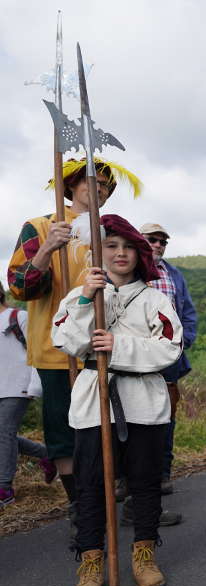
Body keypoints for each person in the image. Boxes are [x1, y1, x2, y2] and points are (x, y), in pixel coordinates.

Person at [52, 214, 183, 586]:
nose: (120, 253)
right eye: (111, 247)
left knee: (144, 482)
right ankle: (91, 563)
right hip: (94, 402)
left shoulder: (156, 299)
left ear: (138, 254)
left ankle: (144, 554)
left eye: (127, 247)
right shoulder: (81, 296)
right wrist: (83, 299)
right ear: (99, 252)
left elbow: (170, 348)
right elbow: (67, 341)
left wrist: (118, 347)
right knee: (91, 485)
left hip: (144, 402)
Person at [6, 158, 141, 533]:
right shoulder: (40, 227)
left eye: (104, 186)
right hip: (57, 351)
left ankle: (126, 504)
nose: (97, 189)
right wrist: (47, 249)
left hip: (109, 347)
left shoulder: (111, 230)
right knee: (66, 434)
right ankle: (82, 508)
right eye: (90, 182)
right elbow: (20, 287)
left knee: (116, 427)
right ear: (71, 186)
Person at [138, 222, 197, 496]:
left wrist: (182, 344)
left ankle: (162, 474)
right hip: (135, 355)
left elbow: (188, 313)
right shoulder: (129, 271)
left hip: (169, 357)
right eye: (152, 239)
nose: (158, 245)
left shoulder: (173, 274)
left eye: (163, 242)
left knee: (166, 416)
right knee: (131, 415)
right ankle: (129, 478)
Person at [1, 285, 56, 507]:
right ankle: (47, 454)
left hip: (18, 386)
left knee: (3, 432)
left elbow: (36, 350)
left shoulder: (18, 316)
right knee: (5, 434)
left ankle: (4, 488)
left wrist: (34, 385)